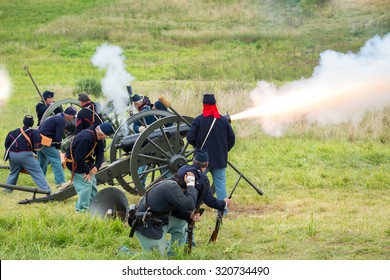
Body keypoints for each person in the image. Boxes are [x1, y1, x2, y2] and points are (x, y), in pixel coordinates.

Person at [169, 149, 231, 252]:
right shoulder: (203, 178)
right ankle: (188, 246)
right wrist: (224, 203)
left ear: (193, 160)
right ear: (206, 165)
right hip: (186, 208)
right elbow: (210, 201)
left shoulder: (183, 168)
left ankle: (185, 246)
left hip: (174, 205)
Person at [186, 94, 235, 212]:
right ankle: (223, 210)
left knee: (196, 181)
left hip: (202, 160)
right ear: (215, 104)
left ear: (204, 105)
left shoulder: (199, 120)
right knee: (220, 185)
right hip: (219, 159)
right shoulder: (223, 121)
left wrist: (197, 146)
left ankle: (191, 207)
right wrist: (224, 150)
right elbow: (232, 138)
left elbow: (190, 137)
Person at [128, 172, 198, 256]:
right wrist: (190, 184)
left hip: (159, 220)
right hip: (147, 225)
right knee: (156, 258)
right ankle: (124, 251)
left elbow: (175, 210)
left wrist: (189, 215)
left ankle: (173, 255)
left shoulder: (172, 184)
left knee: (182, 222)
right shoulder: (171, 188)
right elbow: (189, 204)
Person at [65, 122, 115, 212]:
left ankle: (93, 206)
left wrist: (96, 166)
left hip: (86, 162)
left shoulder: (98, 137)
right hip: (75, 163)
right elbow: (78, 157)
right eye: (105, 136)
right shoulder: (86, 137)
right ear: (101, 134)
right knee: (86, 186)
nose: (104, 138)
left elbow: (100, 154)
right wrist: (87, 171)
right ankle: (81, 210)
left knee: (93, 185)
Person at [3, 115, 51, 193]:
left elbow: (6, 144)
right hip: (25, 155)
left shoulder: (13, 132)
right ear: (32, 123)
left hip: (12, 155)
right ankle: (46, 191)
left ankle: (7, 191)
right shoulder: (34, 132)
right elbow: (37, 147)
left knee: (13, 172)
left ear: (23, 122)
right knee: (37, 172)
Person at [37, 106, 77, 188]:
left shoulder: (58, 116)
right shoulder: (61, 121)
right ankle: (61, 182)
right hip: (46, 142)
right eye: (73, 117)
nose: (73, 119)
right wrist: (58, 148)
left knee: (42, 162)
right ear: (70, 116)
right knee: (56, 160)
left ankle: (40, 182)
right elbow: (58, 137)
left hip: (38, 141)